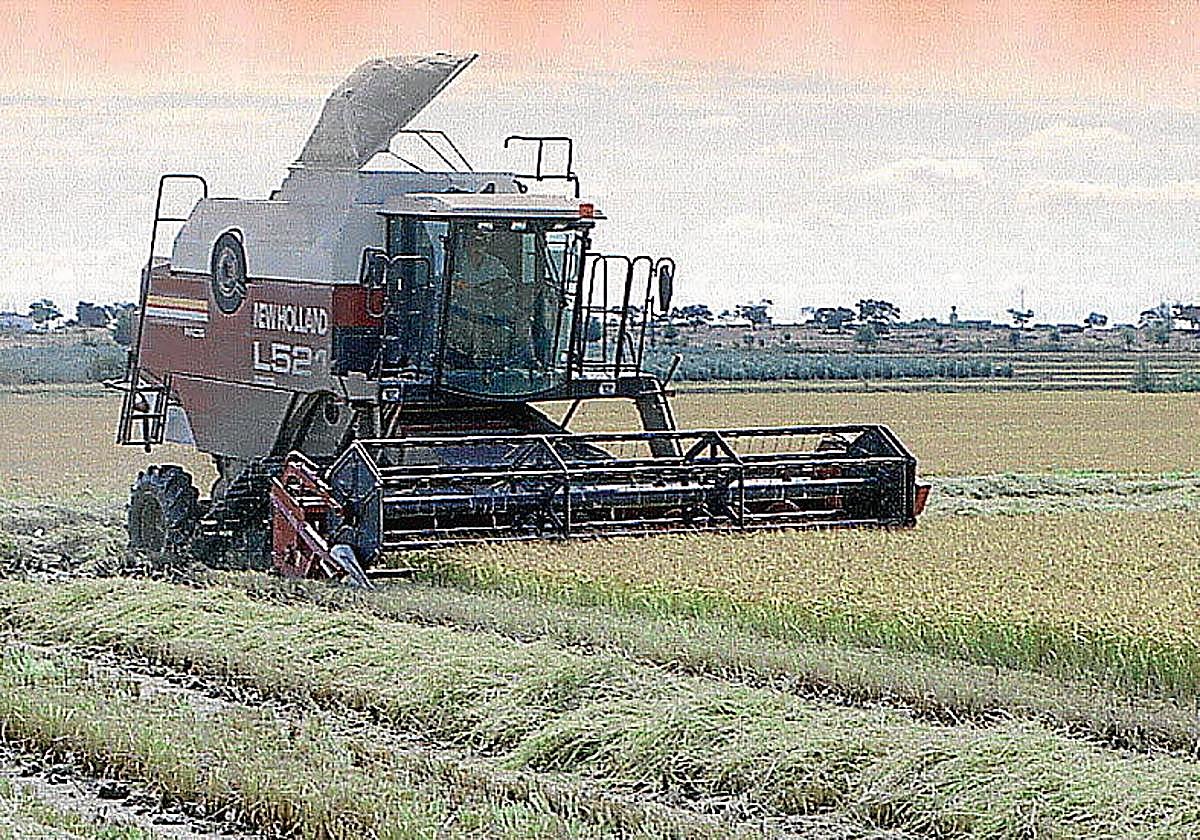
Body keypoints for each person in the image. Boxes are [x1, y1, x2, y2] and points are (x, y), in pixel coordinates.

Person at [447, 231, 526, 364]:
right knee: (459, 353)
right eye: (474, 244)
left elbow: (508, 283)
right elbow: (447, 284)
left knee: (487, 352)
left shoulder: (493, 264)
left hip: (486, 317)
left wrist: (492, 287)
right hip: (460, 318)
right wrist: (464, 288)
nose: (478, 248)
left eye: (482, 244)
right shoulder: (456, 262)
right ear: (467, 245)